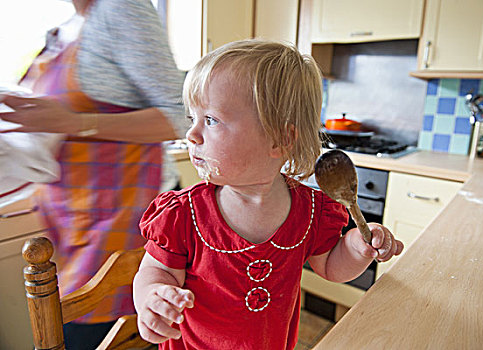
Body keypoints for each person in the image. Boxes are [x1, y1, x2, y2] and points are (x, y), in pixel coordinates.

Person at [133, 39, 404, 350]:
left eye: (210, 120)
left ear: (279, 138)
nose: (192, 134)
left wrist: (358, 248)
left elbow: (331, 265)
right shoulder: (184, 214)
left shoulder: (311, 210)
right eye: (192, 119)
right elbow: (156, 271)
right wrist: (152, 297)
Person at [0, 0, 186, 348]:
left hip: (124, 226)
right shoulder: (66, 28)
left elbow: (179, 116)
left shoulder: (122, 8)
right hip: (76, 228)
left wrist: (75, 122)